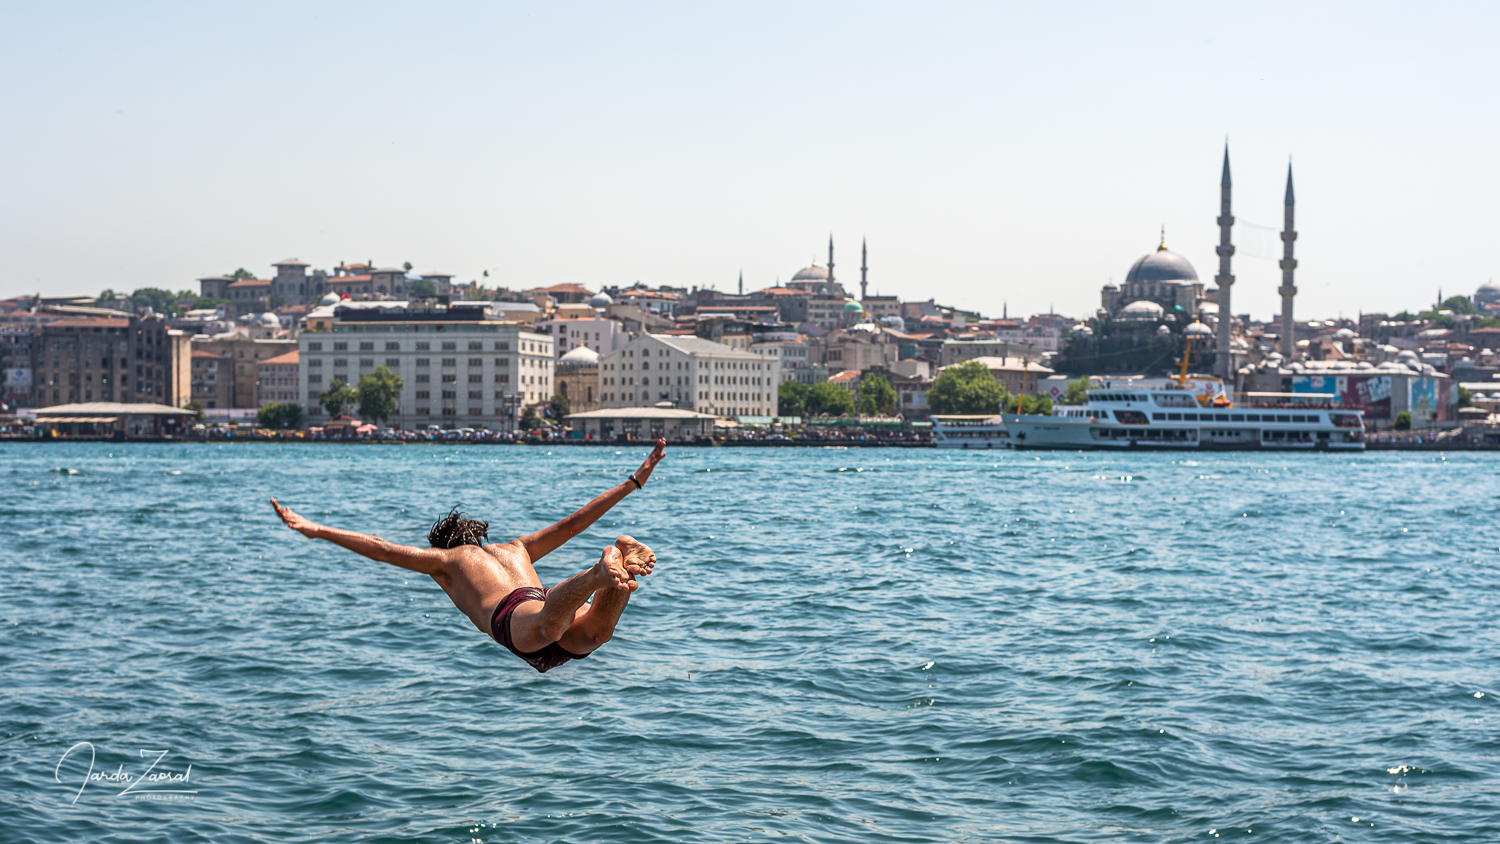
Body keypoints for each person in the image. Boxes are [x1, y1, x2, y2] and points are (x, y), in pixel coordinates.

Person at [270, 439, 666, 673]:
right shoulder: (517, 548)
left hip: (519, 617)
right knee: (596, 632)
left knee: (548, 628)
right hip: (544, 601)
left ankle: (598, 574)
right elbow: (574, 523)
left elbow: (382, 549)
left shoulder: (449, 562)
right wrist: (632, 482)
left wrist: (315, 529)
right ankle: (621, 560)